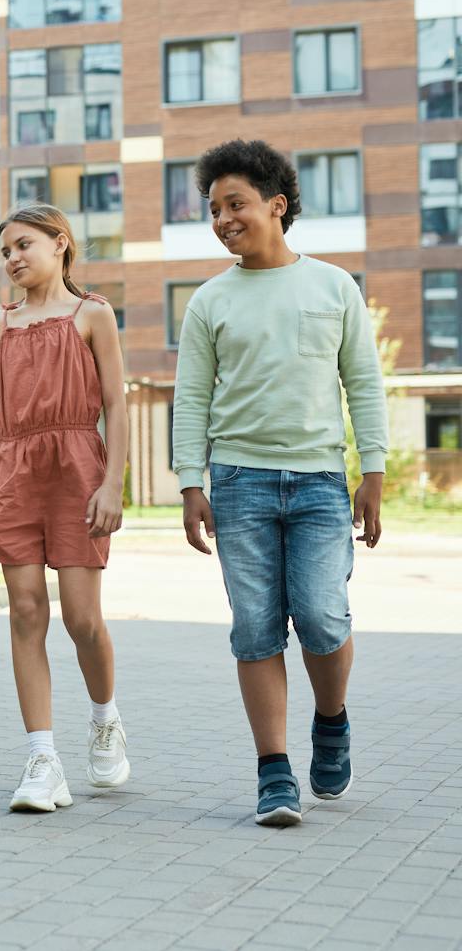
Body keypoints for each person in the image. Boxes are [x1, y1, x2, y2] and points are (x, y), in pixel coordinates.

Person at [172, 139, 386, 827]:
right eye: (214, 209)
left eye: (234, 204)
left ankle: (332, 717)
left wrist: (373, 471)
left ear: (276, 205)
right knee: (256, 628)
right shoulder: (209, 300)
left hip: (320, 480)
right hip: (239, 482)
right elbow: (191, 399)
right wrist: (191, 483)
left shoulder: (334, 286)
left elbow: (364, 383)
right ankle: (273, 773)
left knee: (323, 616)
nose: (222, 219)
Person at [0, 203, 130, 813]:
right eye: (5, 250)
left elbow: (116, 403)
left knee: (82, 619)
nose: (12, 258)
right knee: (26, 610)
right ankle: (42, 759)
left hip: (77, 467)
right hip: (14, 471)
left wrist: (112, 484)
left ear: (60, 243)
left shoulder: (93, 314)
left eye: (23, 245)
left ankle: (105, 720)